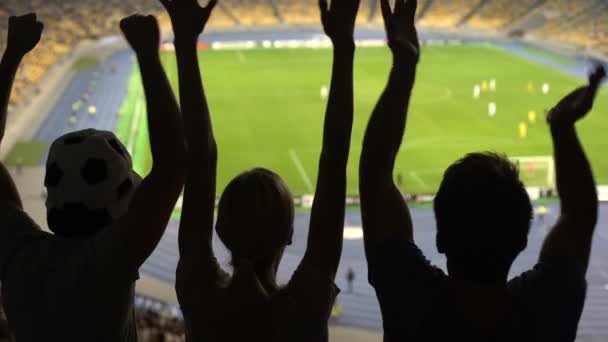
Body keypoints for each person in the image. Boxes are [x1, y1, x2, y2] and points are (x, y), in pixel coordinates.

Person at [359, 0, 604, 340]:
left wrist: (404, 69)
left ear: (441, 239)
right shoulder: (550, 307)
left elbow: (373, 175)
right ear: (522, 241)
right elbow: (580, 216)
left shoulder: (411, 299)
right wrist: (561, 127)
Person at [160, 0, 358, 340]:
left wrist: (184, 41)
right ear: (291, 235)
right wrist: (343, 44)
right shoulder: (303, 308)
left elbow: (201, 159)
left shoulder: (201, 294)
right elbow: (335, 158)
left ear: (219, 230)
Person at [0, 14, 186, 341]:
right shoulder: (107, 266)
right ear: (117, 207)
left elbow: (172, 165)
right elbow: (173, 165)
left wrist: (13, 52)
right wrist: (147, 54)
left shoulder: (19, 253)